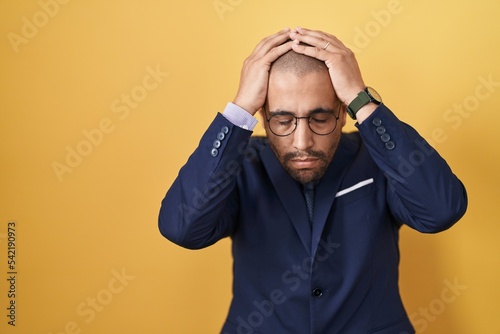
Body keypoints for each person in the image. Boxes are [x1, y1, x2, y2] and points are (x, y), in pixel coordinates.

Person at [158, 27, 468, 334]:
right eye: (283, 120)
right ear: (263, 116)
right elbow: (183, 228)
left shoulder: (377, 159)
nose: (302, 141)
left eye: (320, 119)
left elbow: (440, 210)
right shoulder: (239, 166)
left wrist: (361, 99)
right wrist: (239, 109)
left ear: (343, 112)